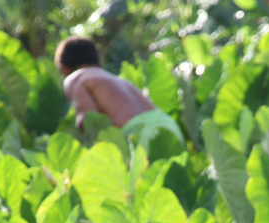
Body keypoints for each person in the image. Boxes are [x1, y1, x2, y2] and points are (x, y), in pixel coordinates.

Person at [54, 36, 184, 147]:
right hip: (168, 126)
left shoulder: (75, 79)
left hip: (139, 133)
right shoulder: (116, 80)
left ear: (63, 69)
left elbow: (89, 123)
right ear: (98, 63)